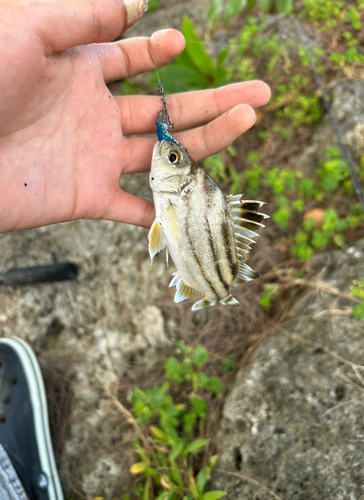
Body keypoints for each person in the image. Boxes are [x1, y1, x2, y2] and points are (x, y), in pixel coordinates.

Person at [0, 0, 271, 498]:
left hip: (198, 249)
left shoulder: (179, 188)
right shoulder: (176, 187)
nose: (162, 154)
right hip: (198, 245)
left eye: (170, 156)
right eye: (173, 155)